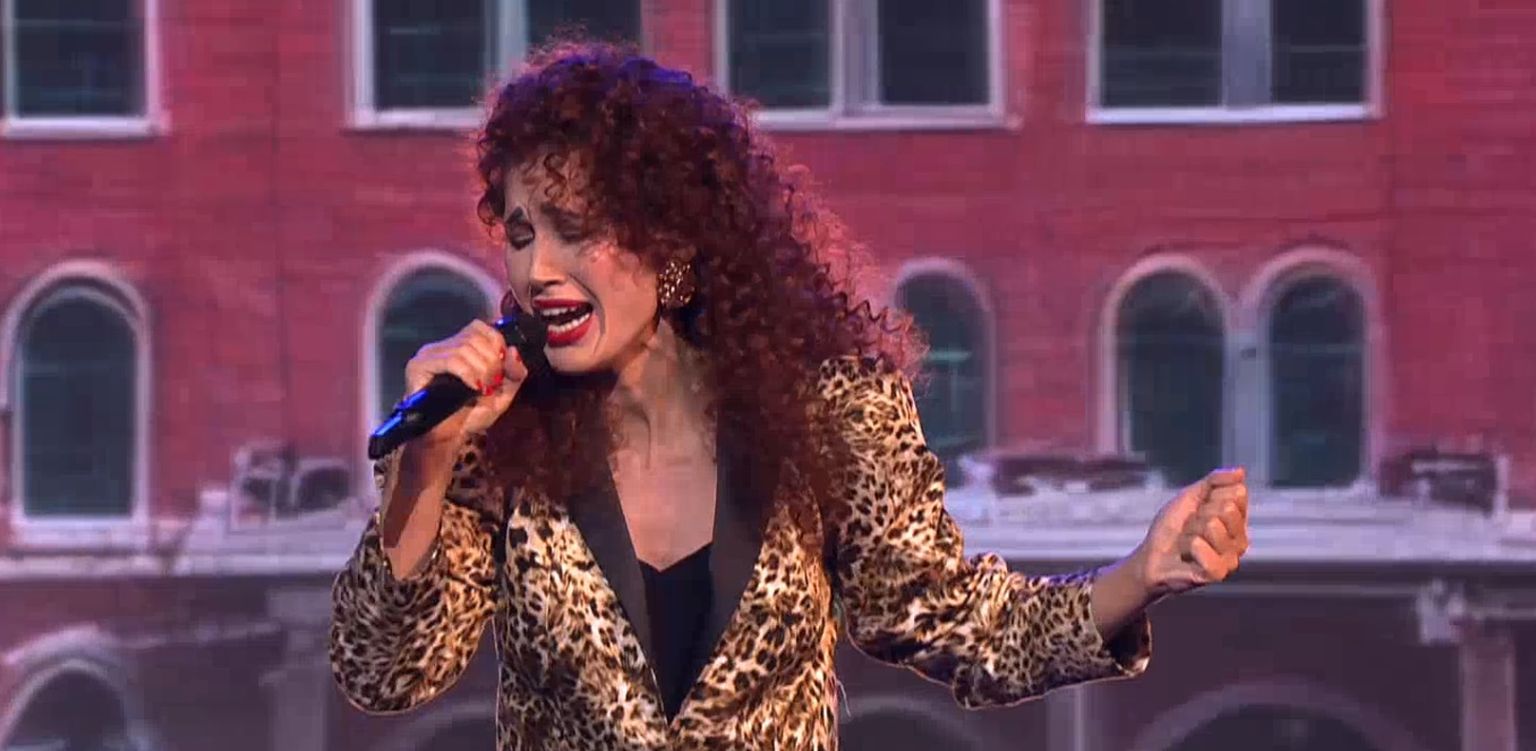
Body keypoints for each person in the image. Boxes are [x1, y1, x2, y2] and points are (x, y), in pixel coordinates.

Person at [329, 40, 1250, 750]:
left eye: (576, 228)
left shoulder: (832, 416)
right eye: (523, 233)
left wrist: (1140, 575)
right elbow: (385, 670)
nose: (538, 270)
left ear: (673, 239)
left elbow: (962, 624)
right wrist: (425, 465)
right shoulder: (494, 439)